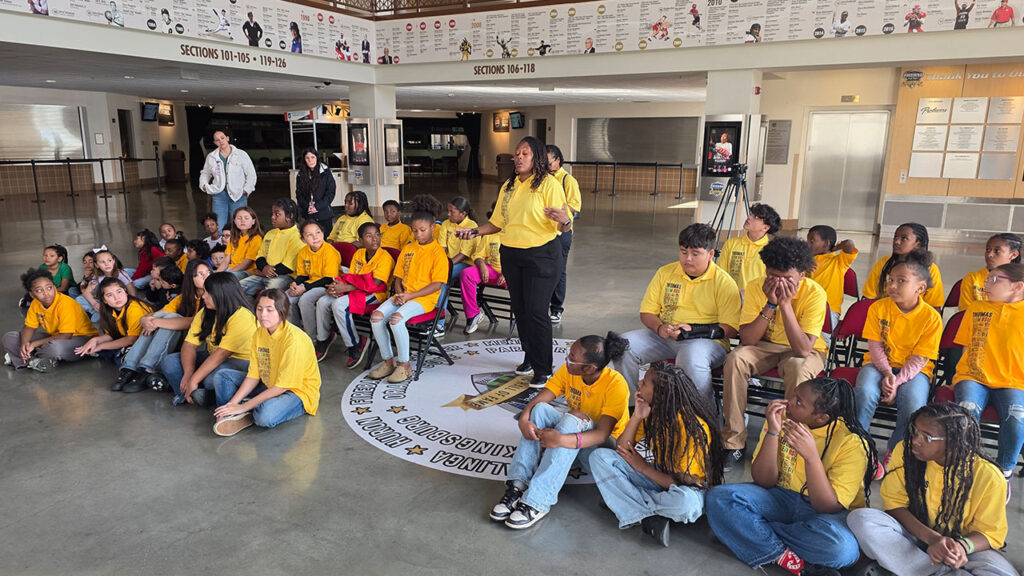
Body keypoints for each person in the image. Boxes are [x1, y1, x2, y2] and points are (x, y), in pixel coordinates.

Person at [707, 378, 876, 575]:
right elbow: (764, 480)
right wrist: (773, 431)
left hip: (826, 515)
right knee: (719, 498)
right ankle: (788, 559)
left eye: (798, 403)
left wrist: (811, 457)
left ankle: (748, 532)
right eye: (793, 395)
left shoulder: (852, 443)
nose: (788, 403)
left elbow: (827, 506)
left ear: (821, 418)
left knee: (841, 550)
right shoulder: (783, 418)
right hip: (781, 496)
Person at [848, 403, 1016, 576]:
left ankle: (909, 568)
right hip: (914, 534)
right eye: (915, 430)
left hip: (964, 550)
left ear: (954, 442)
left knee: (1001, 572)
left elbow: (990, 534)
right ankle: (936, 572)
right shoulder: (905, 452)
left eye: (926, 437)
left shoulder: (989, 477)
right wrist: (933, 539)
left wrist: (961, 547)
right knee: (861, 518)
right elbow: (894, 506)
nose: (914, 440)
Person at [455, 137, 571, 385]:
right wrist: (474, 232)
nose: (518, 157)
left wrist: (565, 219)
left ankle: (543, 368)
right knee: (521, 310)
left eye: (525, 154)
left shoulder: (549, 184)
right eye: (517, 153)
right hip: (512, 254)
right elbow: (497, 223)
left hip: (542, 256)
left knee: (537, 312)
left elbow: (563, 225)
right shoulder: (508, 185)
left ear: (536, 157)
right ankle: (530, 357)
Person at [490, 333, 630, 529]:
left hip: (600, 448)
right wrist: (524, 418)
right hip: (574, 434)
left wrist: (561, 440)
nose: (567, 358)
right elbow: (542, 398)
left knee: (573, 418)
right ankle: (517, 485)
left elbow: (602, 434)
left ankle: (538, 501)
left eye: (573, 357)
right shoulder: (568, 371)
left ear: (589, 368)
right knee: (539, 410)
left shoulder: (616, 384)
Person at [721, 236, 828, 471]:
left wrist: (786, 305)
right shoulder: (756, 287)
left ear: (802, 274)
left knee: (797, 368)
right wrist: (770, 304)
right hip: (765, 345)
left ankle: (789, 441)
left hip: (805, 350)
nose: (778, 284)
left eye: (787, 278)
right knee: (735, 359)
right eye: (773, 277)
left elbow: (802, 349)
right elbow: (748, 339)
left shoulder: (815, 293)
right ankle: (734, 442)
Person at [590, 362, 724, 547]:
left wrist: (642, 467)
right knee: (600, 457)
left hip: (688, 487)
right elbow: (622, 448)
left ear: (660, 394)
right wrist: (637, 415)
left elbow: (683, 481)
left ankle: (624, 502)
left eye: (644, 383)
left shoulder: (693, 427)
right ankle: (647, 515)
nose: (638, 384)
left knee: (686, 504)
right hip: (656, 476)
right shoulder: (655, 410)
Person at [615, 223, 741, 405]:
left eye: (695, 254)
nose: (687, 259)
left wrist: (694, 331)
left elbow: (730, 328)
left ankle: (702, 417)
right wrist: (659, 328)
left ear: (711, 254)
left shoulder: (724, 282)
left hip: (707, 342)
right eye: (683, 252)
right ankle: (632, 408)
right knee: (621, 346)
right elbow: (647, 312)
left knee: (690, 357)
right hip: (664, 337)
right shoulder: (665, 272)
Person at [854, 250, 942, 475]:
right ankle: (857, 447)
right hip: (878, 364)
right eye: (890, 280)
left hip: (914, 372)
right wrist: (886, 373)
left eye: (901, 281)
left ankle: (895, 451)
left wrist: (895, 381)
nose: (892, 285)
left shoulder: (931, 317)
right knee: (864, 392)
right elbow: (874, 346)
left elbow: (919, 359)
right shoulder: (878, 307)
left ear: (920, 288)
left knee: (914, 404)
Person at [211, 289, 321, 436]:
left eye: (270, 310)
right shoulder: (260, 333)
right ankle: (231, 414)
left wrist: (243, 407)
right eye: (259, 309)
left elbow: (282, 387)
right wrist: (233, 404)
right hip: (269, 383)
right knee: (222, 376)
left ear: (282, 311)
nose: (263, 315)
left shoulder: (294, 340)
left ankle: (248, 409)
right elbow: (254, 375)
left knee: (265, 416)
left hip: (296, 392)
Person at [954, 262, 1024, 480]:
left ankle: (1003, 471)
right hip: (973, 376)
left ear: (1017, 286)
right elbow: (966, 345)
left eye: (994, 279)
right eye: (987, 279)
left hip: (1013, 381)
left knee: (1016, 417)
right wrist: (955, 377)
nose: (986, 283)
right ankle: (963, 464)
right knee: (967, 411)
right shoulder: (976, 308)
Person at [367, 211, 448, 384]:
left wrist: (410, 295)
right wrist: (399, 294)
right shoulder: (409, 248)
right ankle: (388, 362)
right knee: (376, 317)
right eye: (415, 230)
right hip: (404, 295)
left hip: (424, 299)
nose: (418, 234)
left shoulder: (438, 253)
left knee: (396, 320)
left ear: (433, 228)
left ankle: (404, 366)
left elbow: (437, 285)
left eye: (423, 230)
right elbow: (398, 277)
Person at [160, 272, 256, 407]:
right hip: (213, 357)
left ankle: (206, 395)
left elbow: (222, 354)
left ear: (221, 294)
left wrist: (194, 379)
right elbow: (189, 345)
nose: (203, 296)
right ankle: (192, 397)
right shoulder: (206, 312)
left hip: (240, 362)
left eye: (207, 292)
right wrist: (188, 373)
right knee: (170, 361)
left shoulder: (242, 317)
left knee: (212, 378)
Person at [122, 260, 211, 393]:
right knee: (159, 318)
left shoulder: (214, 296)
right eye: (200, 274)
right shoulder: (185, 297)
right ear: (190, 279)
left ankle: (148, 368)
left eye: (208, 272)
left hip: (201, 343)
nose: (206, 276)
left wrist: (156, 321)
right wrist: (145, 319)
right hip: (186, 342)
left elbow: (196, 321)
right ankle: (130, 367)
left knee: (167, 319)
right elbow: (159, 314)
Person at [315, 222, 393, 367]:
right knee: (323, 301)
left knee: (339, 305)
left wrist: (344, 288)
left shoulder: (385, 257)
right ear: (361, 241)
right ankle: (323, 338)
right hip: (356, 289)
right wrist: (336, 286)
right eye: (369, 236)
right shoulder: (358, 253)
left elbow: (374, 285)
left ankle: (355, 344)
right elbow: (352, 276)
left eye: (377, 235)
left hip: (376, 294)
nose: (374, 239)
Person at [4, 269, 97, 372]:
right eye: (39, 290)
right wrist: (24, 344)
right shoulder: (36, 304)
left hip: (81, 339)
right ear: (32, 294)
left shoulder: (65, 304)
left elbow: (66, 335)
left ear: (55, 287)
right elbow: (29, 327)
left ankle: (28, 356)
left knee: (54, 348)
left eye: (49, 288)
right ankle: (34, 361)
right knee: (9, 337)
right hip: (54, 337)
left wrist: (35, 344)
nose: (46, 293)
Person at [75, 278, 153, 385]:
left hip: (144, 343)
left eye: (119, 291)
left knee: (107, 351)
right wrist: (95, 340)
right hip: (126, 340)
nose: (117, 297)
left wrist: (101, 346)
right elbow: (112, 334)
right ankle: (119, 353)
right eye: (110, 295)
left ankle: (124, 357)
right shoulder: (109, 310)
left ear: (125, 291)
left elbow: (132, 339)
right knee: (99, 348)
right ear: (104, 300)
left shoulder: (134, 308)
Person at [863, 223, 944, 307]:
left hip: (915, 318)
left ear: (918, 244)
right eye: (895, 237)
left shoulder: (931, 269)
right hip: (883, 315)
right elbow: (869, 297)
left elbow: (934, 306)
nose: (896, 242)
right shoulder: (883, 263)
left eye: (904, 238)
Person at [239, 199, 305, 296]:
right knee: (239, 287)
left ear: (289, 216)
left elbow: (287, 267)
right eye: (272, 214)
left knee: (270, 290)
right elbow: (260, 256)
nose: (272, 217)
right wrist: (264, 268)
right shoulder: (270, 233)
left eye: (277, 214)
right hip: (266, 272)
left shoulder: (297, 236)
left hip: (285, 276)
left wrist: (263, 272)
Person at [288, 220, 341, 340]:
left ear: (323, 233)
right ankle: (295, 334)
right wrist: (295, 283)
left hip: (327, 285)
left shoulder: (330, 252)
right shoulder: (303, 252)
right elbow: (303, 274)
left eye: (318, 232)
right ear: (303, 239)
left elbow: (328, 278)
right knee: (287, 298)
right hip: (310, 283)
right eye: (309, 235)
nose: (315, 237)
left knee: (305, 300)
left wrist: (304, 287)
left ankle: (310, 338)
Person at [546, 145, 581, 324]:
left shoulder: (568, 180)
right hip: (544, 231)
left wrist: (558, 210)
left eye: (548, 162)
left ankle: (557, 308)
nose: (545, 165)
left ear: (558, 161)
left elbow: (575, 206)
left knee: (559, 269)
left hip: (562, 231)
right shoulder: (542, 179)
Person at [199, 130, 257, 230]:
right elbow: (205, 173)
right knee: (219, 225)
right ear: (215, 143)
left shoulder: (241, 154)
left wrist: (246, 190)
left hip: (238, 195)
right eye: (217, 140)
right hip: (219, 195)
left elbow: (251, 175)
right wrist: (204, 185)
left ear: (227, 138)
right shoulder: (211, 157)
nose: (220, 141)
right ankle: (222, 245)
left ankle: (240, 245)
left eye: (222, 138)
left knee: (240, 225)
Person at [720, 203, 781, 296]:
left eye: (756, 217)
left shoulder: (772, 250)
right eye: (751, 214)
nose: (749, 217)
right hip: (731, 298)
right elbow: (721, 274)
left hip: (758, 301)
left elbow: (773, 281)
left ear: (765, 227)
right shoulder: (731, 243)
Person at [807, 225, 857, 330]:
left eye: (812, 241)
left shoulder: (838, 262)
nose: (808, 244)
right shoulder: (806, 260)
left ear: (826, 243)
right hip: (806, 306)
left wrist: (834, 248)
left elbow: (849, 244)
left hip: (828, 311)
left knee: (821, 337)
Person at [960, 233, 1021, 311]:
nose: (990, 255)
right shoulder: (972, 278)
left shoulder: (1019, 282)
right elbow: (965, 313)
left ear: (1013, 255)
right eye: (988, 250)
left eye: (997, 250)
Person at [75, 249, 135, 322]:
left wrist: (129, 304)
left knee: (95, 319)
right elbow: (87, 293)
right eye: (102, 262)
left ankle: (101, 314)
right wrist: (94, 304)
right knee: (79, 299)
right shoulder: (97, 276)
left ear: (114, 261)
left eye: (109, 261)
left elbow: (131, 289)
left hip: (118, 301)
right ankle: (97, 312)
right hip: (104, 302)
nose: (107, 264)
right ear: (96, 265)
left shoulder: (121, 274)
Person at [461, 234, 503, 335]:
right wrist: (482, 265)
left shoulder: (516, 232)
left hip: (513, 272)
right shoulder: (490, 235)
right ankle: (473, 314)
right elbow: (477, 255)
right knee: (467, 274)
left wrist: (510, 272)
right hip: (492, 270)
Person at [295, 148, 336, 236]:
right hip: (308, 214)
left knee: (326, 239)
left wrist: (317, 207)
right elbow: (299, 194)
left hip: (324, 213)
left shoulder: (325, 172)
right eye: (307, 158)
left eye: (312, 157)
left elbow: (330, 192)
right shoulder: (300, 174)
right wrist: (307, 206)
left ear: (317, 158)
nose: (310, 160)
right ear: (304, 160)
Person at [220, 206, 263, 278]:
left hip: (246, 271)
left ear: (253, 221)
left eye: (246, 218)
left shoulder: (256, 238)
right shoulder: (233, 237)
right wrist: (217, 274)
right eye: (239, 218)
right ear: (234, 221)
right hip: (231, 269)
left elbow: (246, 264)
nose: (243, 221)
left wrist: (227, 273)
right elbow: (226, 260)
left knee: (227, 278)